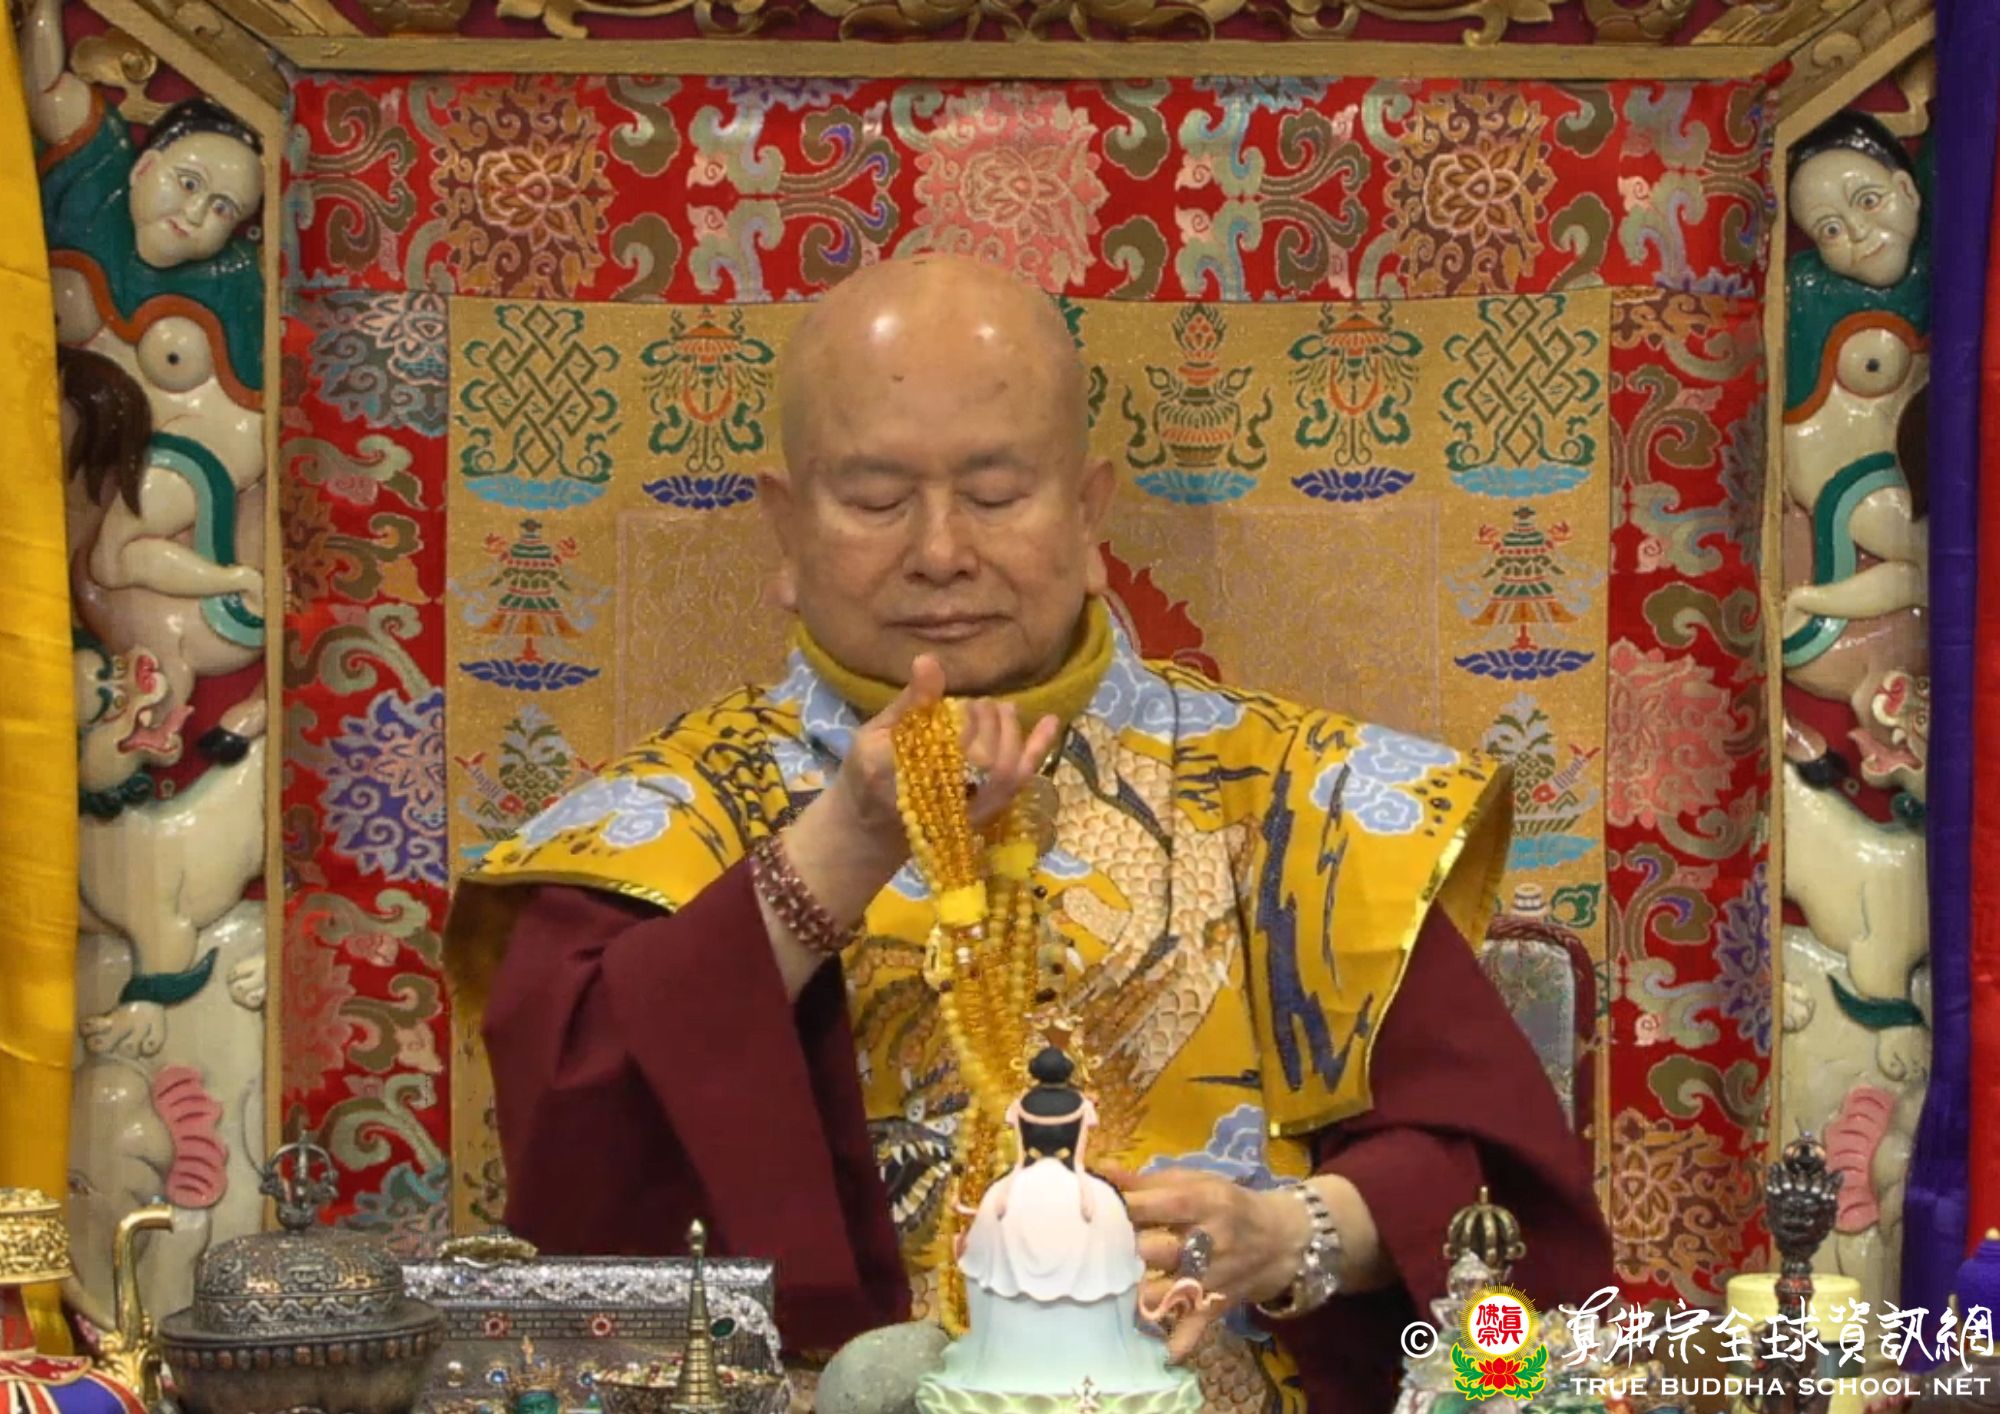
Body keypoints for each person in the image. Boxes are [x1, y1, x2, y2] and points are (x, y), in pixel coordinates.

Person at [444, 254, 1614, 1413]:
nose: (940, 550)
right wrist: (838, 848)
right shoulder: (670, 819)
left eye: (997, 495)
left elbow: (1493, 1191)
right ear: (785, 529)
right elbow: (573, 1199)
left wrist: (1291, 1232)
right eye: (875, 500)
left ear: (1089, 513)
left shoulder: (1291, 797)